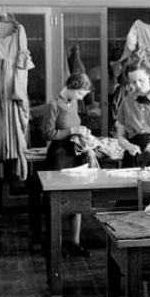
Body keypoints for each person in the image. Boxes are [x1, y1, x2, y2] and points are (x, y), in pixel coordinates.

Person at [42, 72, 92, 258]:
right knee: (57, 202)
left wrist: (81, 132)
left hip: (75, 154)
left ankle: (74, 243)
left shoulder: (74, 103)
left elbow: (75, 124)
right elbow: (48, 134)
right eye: (80, 93)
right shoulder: (53, 105)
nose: (81, 98)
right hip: (58, 156)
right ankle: (56, 246)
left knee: (76, 200)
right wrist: (71, 131)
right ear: (71, 87)